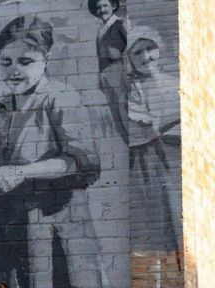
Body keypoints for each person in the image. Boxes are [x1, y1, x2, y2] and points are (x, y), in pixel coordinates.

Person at [0, 15, 103, 288]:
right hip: (14, 223)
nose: (14, 70)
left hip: (59, 218)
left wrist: (24, 171)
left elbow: (83, 161)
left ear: (46, 59)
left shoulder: (60, 97)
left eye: (25, 61)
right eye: (6, 62)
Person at [125, 26, 182, 254]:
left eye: (149, 49)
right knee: (155, 217)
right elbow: (139, 121)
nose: (145, 57)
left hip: (176, 156)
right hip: (149, 159)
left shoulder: (173, 83)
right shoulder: (131, 88)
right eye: (137, 53)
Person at [89, 0, 128, 144]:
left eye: (105, 5)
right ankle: (127, 142)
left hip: (119, 71)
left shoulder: (119, 24)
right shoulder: (101, 29)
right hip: (106, 74)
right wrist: (100, 77)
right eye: (98, 7)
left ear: (113, 6)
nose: (101, 10)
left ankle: (134, 145)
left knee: (123, 111)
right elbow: (100, 56)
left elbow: (130, 47)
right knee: (115, 114)